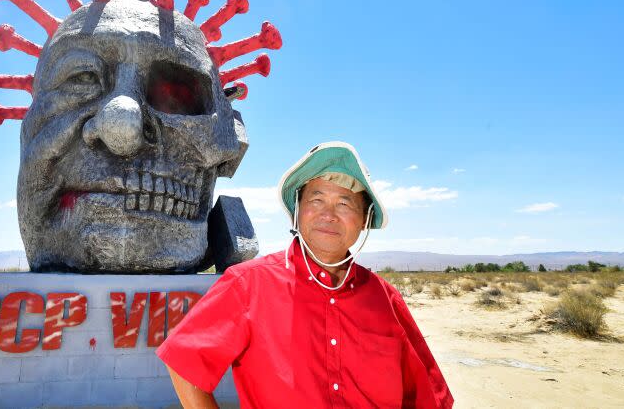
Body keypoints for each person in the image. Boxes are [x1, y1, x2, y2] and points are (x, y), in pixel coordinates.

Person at [156, 141, 454, 408]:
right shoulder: (249, 285)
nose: (329, 214)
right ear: (298, 210)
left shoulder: (385, 298)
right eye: (316, 199)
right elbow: (184, 364)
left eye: (345, 202)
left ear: (365, 219)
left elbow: (429, 396)